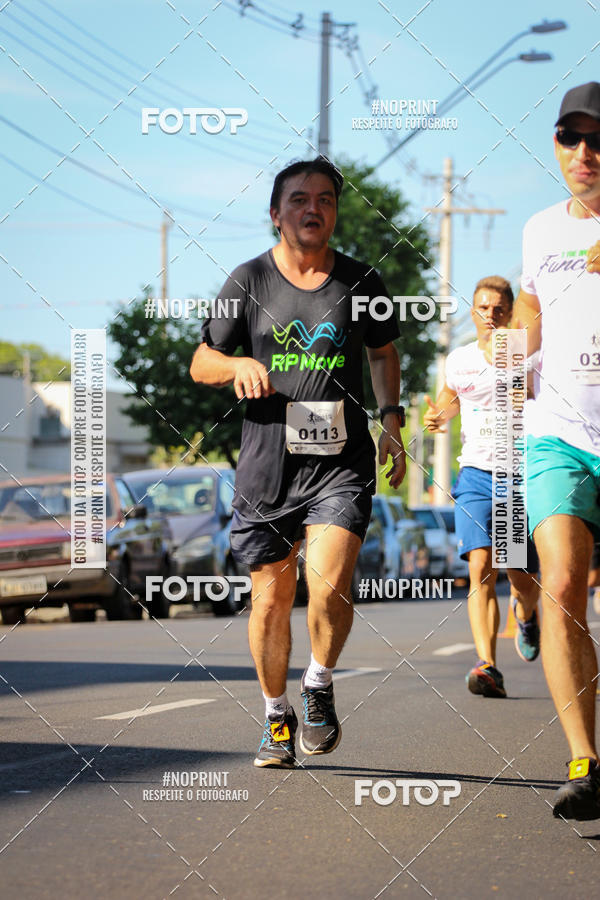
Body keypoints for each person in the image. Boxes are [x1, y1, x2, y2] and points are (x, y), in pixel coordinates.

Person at [190, 157, 406, 768]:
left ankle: (317, 682)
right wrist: (235, 365)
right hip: (266, 465)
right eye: (299, 200)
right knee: (270, 599)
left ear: (335, 212)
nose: (313, 209)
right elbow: (201, 362)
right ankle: (276, 714)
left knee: (330, 580)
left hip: (340, 461)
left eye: (325, 200)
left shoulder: (361, 283)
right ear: (276, 213)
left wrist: (391, 418)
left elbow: (385, 354)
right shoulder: (249, 280)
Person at [513, 82, 600, 820]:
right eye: (571, 137)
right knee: (564, 583)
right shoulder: (541, 230)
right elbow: (533, 317)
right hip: (559, 435)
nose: (585, 152)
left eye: (598, 139)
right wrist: (503, 351)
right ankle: (584, 760)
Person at [424, 276, 540, 698]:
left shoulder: (526, 356)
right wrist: (437, 415)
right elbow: (448, 398)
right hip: (474, 473)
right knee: (480, 567)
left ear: (511, 313)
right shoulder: (460, 359)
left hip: (516, 472)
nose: (490, 315)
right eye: (483, 308)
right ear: (472, 312)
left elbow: (536, 394)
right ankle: (488, 664)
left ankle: (526, 615)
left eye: (499, 309)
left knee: (520, 574)